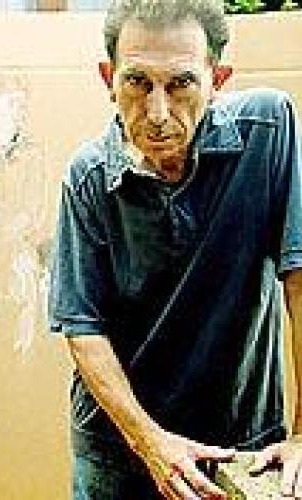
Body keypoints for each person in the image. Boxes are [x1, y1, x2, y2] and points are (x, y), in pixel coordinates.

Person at [47, 0, 302, 498]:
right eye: (137, 83)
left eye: (181, 84)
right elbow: (83, 327)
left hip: (241, 444)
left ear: (217, 80)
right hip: (120, 449)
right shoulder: (88, 179)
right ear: (108, 79)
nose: (158, 114)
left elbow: (300, 279)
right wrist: (150, 443)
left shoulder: (267, 132)